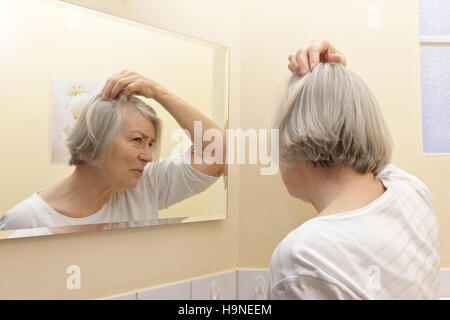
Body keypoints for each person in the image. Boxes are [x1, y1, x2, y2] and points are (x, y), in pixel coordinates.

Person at [269, 39, 440, 299]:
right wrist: (334, 83)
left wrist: (328, 88)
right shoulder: (413, 194)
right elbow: (360, 148)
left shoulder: (303, 257)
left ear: (294, 140)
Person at [0, 70, 225, 233]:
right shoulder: (25, 221)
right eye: (137, 140)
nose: (148, 156)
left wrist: (158, 92)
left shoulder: (145, 186)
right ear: (96, 141)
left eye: (150, 144)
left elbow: (218, 151)